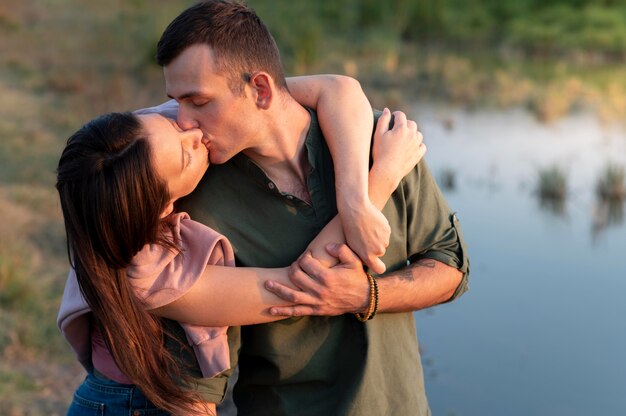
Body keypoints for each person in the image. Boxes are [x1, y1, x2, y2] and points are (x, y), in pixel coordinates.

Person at [152, 1, 470, 415]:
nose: (184, 121)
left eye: (198, 101)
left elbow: (452, 267)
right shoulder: (196, 202)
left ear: (261, 90)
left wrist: (366, 295)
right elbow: (196, 390)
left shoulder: (383, 143)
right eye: (177, 102)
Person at [56, 75, 425, 414]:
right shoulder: (150, 274)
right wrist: (384, 176)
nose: (196, 134)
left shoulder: (144, 139)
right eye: (188, 156)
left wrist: (353, 200)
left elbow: (338, 88)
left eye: (174, 124)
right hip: (137, 404)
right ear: (166, 206)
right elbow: (297, 287)